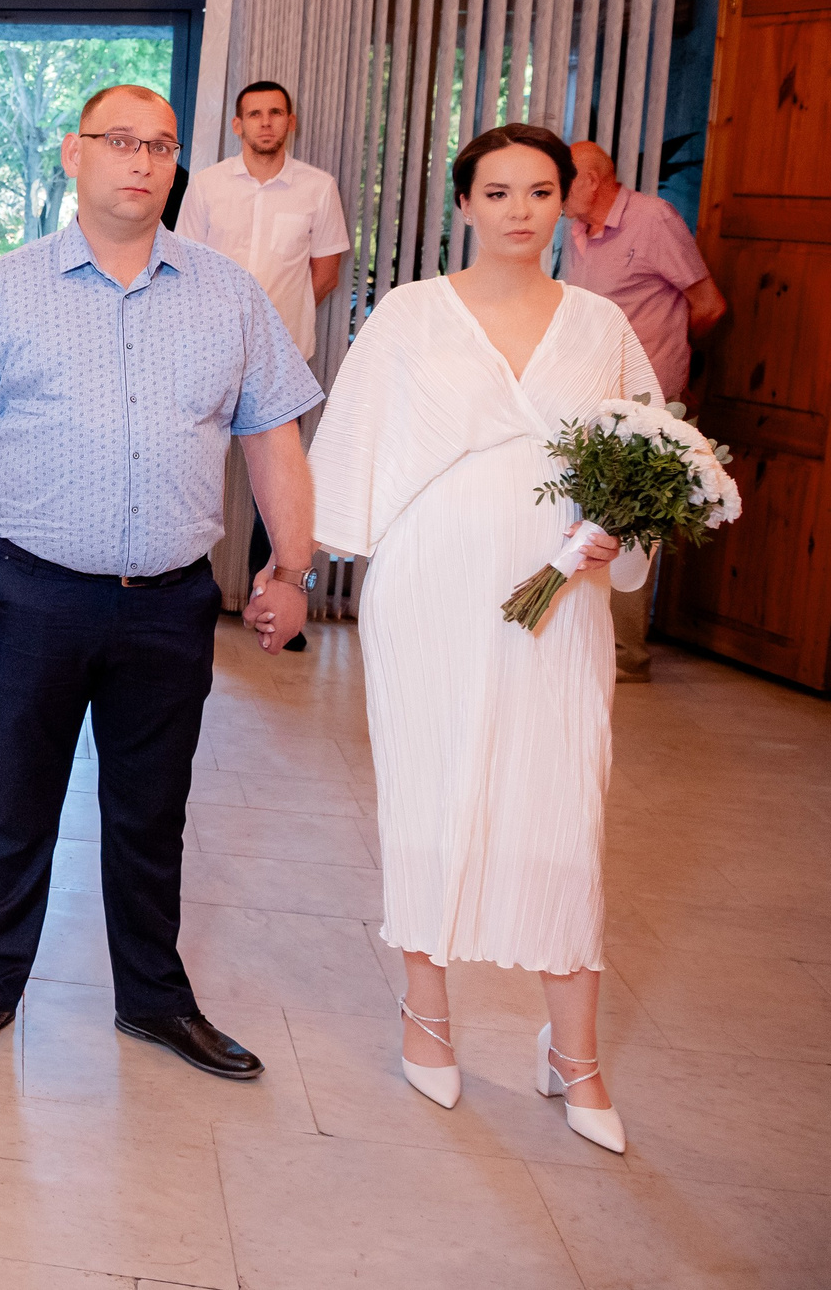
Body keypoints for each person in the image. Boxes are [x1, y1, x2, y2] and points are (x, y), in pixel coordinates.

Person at [0, 83, 322, 1082]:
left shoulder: (227, 292)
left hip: (170, 600)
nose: (140, 161)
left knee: (150, 807)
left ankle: (152, 997)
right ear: (73, 153)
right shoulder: (5, 288)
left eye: (161, 145)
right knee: (19, 801)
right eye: (119, 142)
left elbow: (272, 434)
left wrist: (291, 564)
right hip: (34, 594)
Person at [311, 123, 650, 1154]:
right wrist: (293, 568)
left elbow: (650, 456)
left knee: (562, 801)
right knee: (430, 782)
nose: (517, 209)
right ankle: (426, 1011)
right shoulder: (410, 315)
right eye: (495, 190)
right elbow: (353, 449)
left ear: (565, 203)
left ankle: (572, 1050)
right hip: (430, 585)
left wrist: (615, 528)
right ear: (462, 203)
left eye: (538, 190)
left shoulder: (600, 326)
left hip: (560, 588)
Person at [174, 80, 350, 652]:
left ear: (290, 122)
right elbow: (185, 265)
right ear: (237, 125)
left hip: (280, 359)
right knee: (196, 471)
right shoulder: (206, 185)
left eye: (275, 113)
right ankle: (182, 598)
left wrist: (271, 331)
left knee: (275, 482)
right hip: (205, 352)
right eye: (254, 114)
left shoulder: (318, 189)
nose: (265, 123)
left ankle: (271, 600)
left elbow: (323, 272)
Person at [560, 138, 727, 683]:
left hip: (647, 405)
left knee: (633, 527)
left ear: (593, 178)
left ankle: (625, 656)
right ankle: (579, 642)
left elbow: (708, 305)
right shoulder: (576, 230)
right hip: (585, 397)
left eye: (563, 179)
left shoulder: (653, 220)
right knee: (583, 519)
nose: (553, 192)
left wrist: (670, 360)